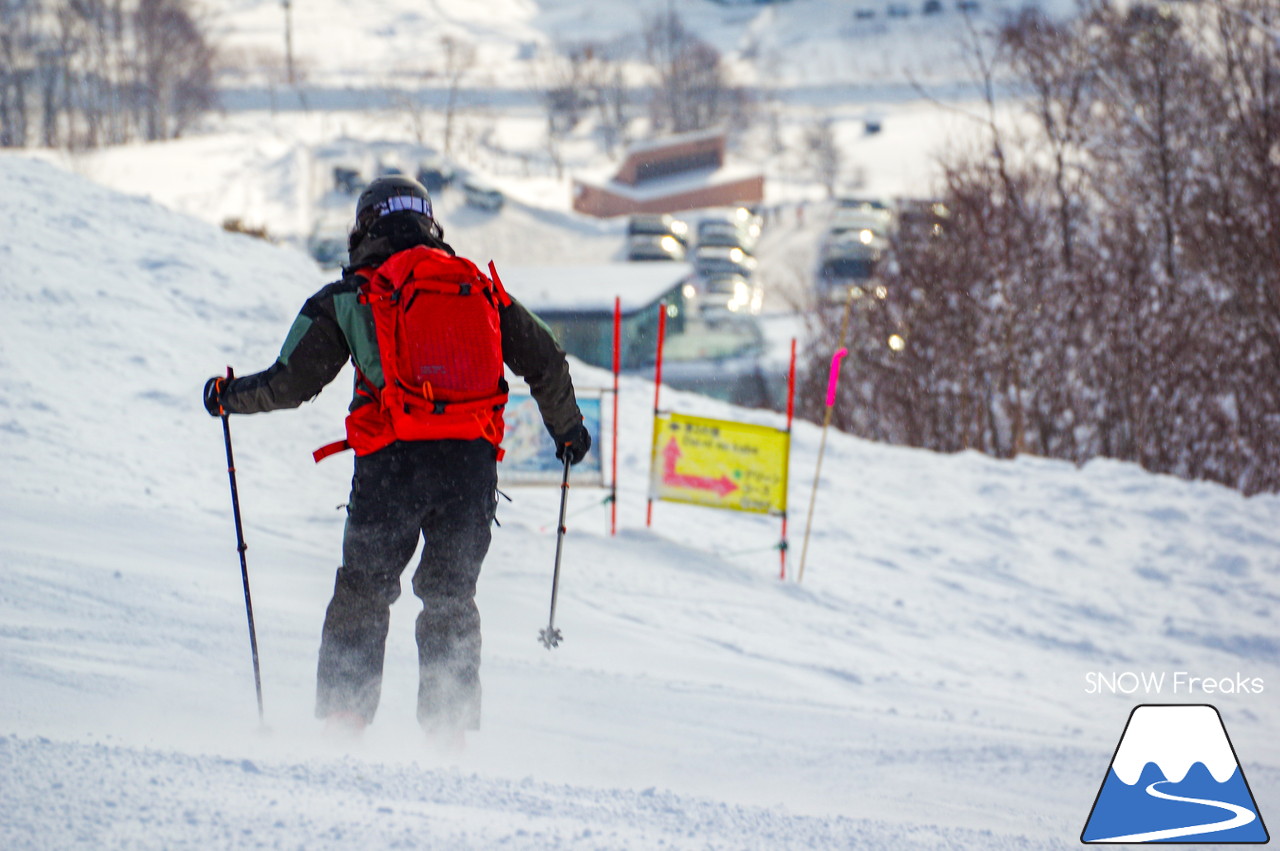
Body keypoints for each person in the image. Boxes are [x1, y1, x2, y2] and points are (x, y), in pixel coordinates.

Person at [203, 176, 590, 744]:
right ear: (431, 224)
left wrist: (227, 396)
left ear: (364, 227)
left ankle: (343, 722)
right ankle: (449, 732)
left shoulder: (349, 297)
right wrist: (568, 430)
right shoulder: (480, 289)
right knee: (451, 598)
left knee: (363, 588)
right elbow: (547, 360)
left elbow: (292, 383)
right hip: (470, 472)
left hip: (391, 469)